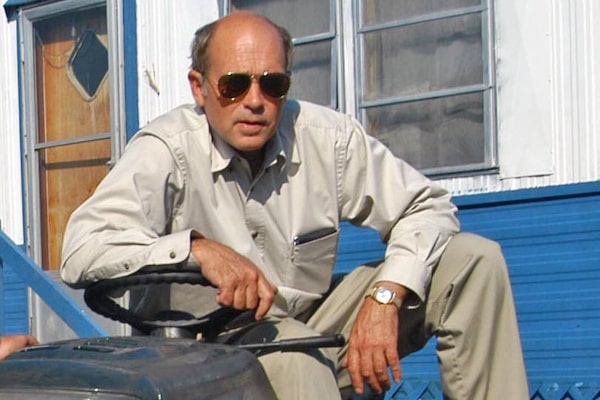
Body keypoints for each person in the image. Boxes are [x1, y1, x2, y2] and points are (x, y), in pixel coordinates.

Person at [60, 11, 529, 400]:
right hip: (201, 349)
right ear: (199, 88)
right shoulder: (165, 150)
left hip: (310, 321)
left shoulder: (327, 139)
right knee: (296, 357)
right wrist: (195, 249)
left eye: (272, 84)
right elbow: (82, 250)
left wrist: (385, 297)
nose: (255, 102)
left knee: (472, 261)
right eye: (234, 85)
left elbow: (427, 207)